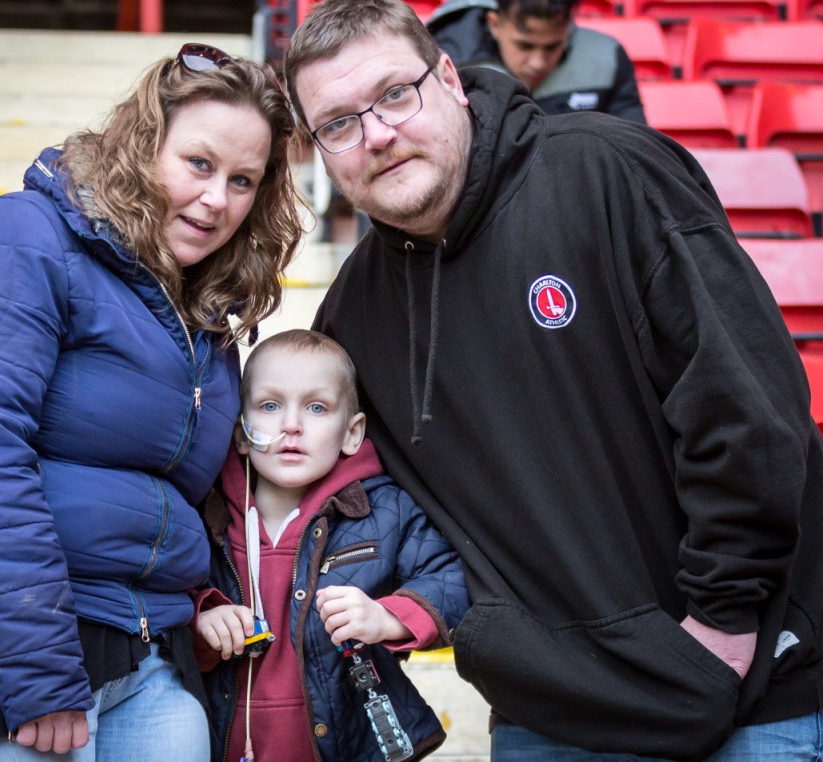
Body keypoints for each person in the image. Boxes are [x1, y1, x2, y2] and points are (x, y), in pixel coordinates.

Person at [282, 1, 823, 759]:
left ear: (450, 80)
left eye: (395, 95)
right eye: (338, 123)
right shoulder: (353, 314)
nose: (376, 134)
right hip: (548, 716)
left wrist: (723, 623)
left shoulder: (610, 174)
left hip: (749, 689)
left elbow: (747, 412)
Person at [0, 43, 303, 762]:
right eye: (198, 163)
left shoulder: (205, 322)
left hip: (146, 654)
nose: (217, 199)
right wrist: (38, 669)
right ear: (141, 144)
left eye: (243, 180)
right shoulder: (20, 237)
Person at [193, 329, 470, 762]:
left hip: (345, 744)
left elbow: (454, 580)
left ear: (351, 433)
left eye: (317, 407)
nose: (291, 425)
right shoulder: (206, 515)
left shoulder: (384, 510)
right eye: (270, 406)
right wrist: (202, 618)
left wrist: (388, 617)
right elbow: (163, 593)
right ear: (241, 432)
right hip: (221, 742)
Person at [426, 0, 647, 122]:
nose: (538, 63)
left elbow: (634, 146)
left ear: (568, 25)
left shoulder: (607, 58)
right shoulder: (444, 63)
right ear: (495, 25)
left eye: (552, 47)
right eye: (525, 46)